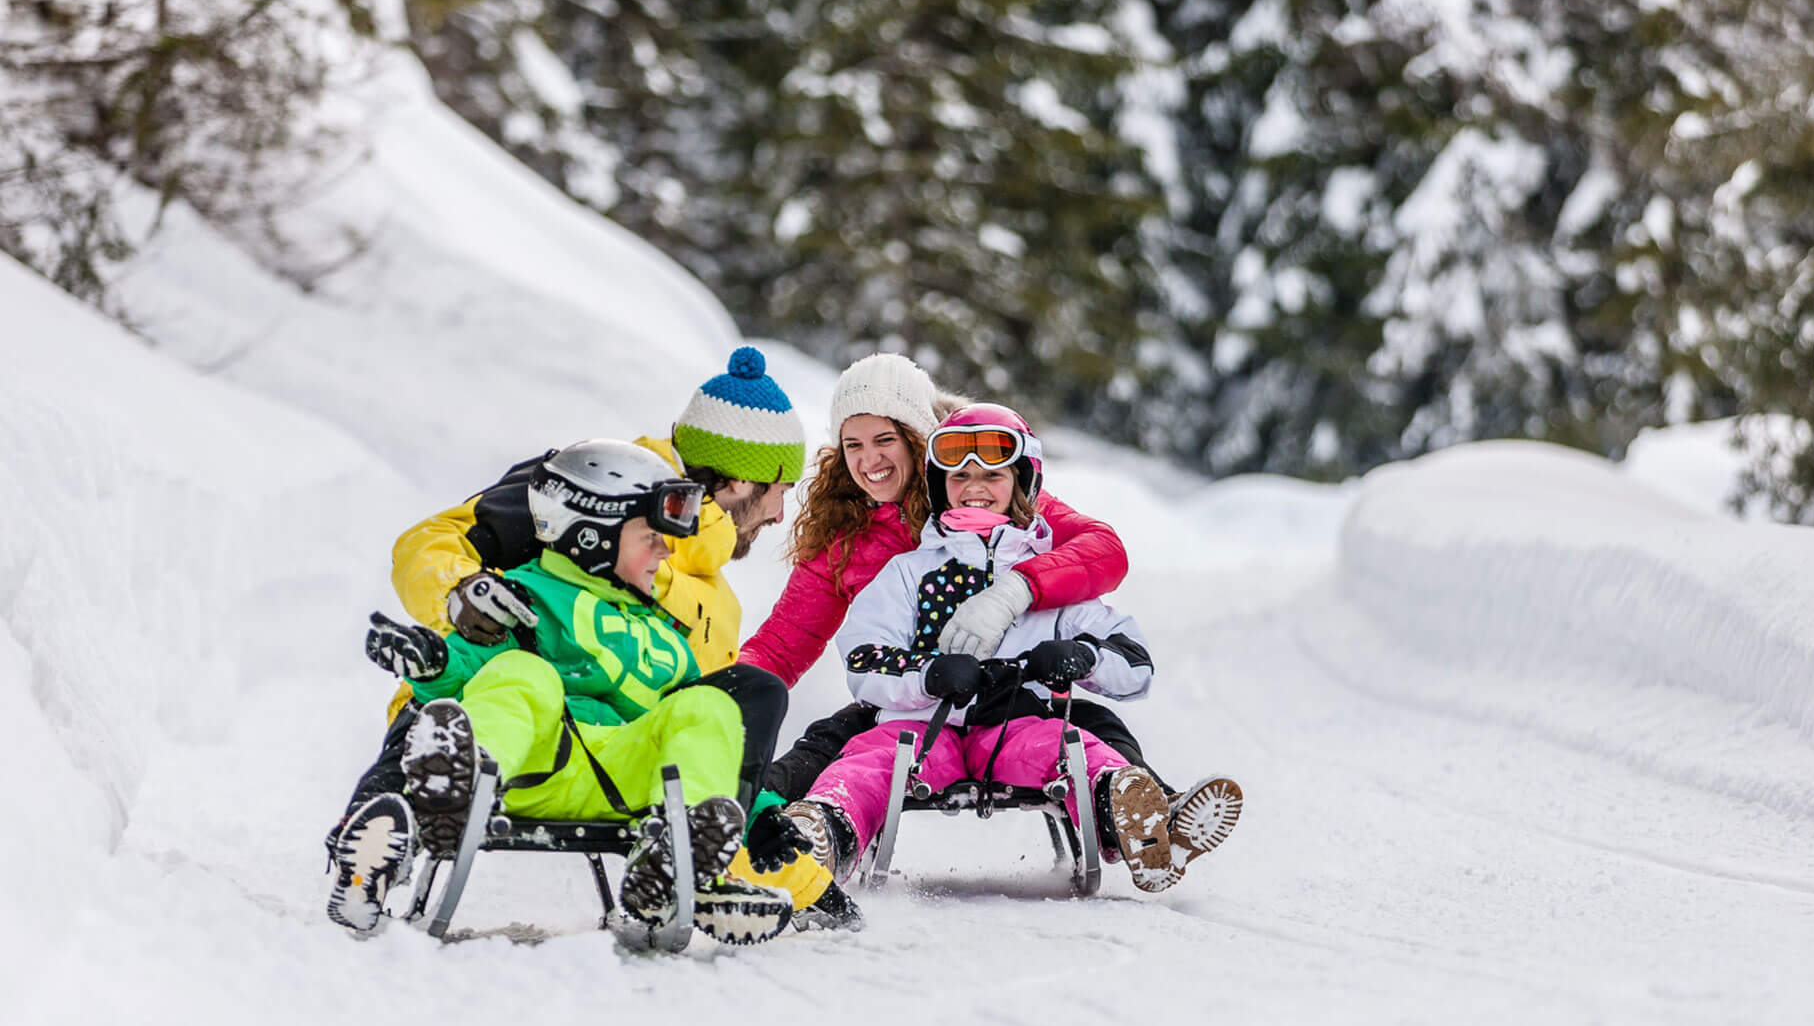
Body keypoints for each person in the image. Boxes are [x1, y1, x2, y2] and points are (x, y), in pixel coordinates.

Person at [325, 347, 856, 934]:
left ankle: (682, 867)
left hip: (619, 751)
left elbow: (695, 728)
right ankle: (382, 828)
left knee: (743, 696)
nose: (782, 513)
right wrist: (462, 594)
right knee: (503, 686)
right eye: (781, 489)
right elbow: (427, 543)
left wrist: (779, 844)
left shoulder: (712, 591)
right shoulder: (588, 488)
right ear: (740, 481)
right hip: (490, 703)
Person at [785, 404, 1242, 893]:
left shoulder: (1043, 573)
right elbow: (863, 655)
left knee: (1073, 748)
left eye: (993, 474)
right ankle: (824, 831)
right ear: (940, 486)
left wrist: (1083, 657)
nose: (974, 486)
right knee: (871, 759)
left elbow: (1132, 658)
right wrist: (927, 675)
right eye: (959, 476)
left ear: (1022, 483)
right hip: (921, 724)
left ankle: (1131, 817)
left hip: (1016, 723)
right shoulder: (908, 572)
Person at [740, 352, 1158, 807]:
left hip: (1015, 697)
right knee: (829, 741)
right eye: (852, 445)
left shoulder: (986, 496)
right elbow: (782, 645)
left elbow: (1104, 551)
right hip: (910, 698)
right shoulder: (844, 540)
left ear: (920, 440)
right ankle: (764, 815)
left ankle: (1150, 812)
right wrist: (719, 691)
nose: (869, 460)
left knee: (1094, 727)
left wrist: (1014, 591)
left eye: (885, 439)